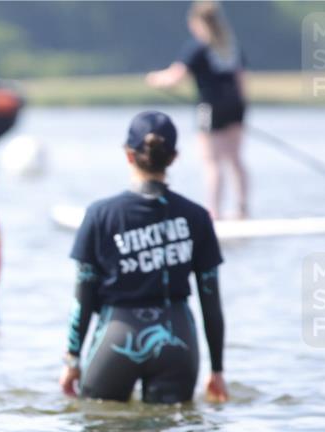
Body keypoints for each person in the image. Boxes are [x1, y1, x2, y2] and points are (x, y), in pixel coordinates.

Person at [58, 111, 228, 404]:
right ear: (174, 157)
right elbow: (210, 301)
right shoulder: (197, 217)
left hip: (117, 336)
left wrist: (72, 359)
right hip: (178, 339)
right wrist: (217, 369)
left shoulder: (100, 215)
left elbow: (82, 298)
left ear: (128, 155)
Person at [146, 0, 248, 220]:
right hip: (236, 107)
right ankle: (242, 209)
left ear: (197, 23)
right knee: (235, 159)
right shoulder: (230, 46)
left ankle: (214, 213)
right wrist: (240, 110)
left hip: (209, 108)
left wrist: (154, 79)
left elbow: (175, 77)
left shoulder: (198, 47)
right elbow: (241, 81)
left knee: (212, 161)